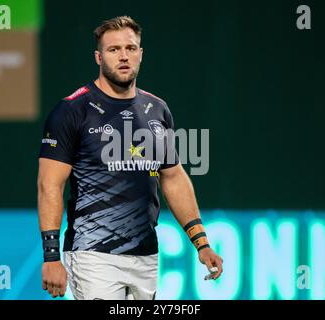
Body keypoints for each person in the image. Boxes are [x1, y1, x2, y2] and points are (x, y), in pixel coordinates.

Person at [38, 16, 223, 300]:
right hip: (93, 255)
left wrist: (201, 243)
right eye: (113, 50)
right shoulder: (73, 110)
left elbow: (172, 177)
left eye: (130, 48)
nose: (123, 56)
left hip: (146, 256)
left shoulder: (157, 110)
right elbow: (49, 185)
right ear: (98, 57)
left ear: (141, 53)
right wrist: (51, 256)